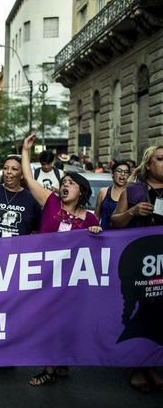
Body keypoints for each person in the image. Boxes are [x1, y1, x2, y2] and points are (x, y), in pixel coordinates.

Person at [21, 134, 101, 386]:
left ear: (81, 191)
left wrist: (97, 234)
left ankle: (54, 365)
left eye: (71, 183)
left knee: (65, 322)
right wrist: (25, 151)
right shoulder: (51, 201)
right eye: (63, 182)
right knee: (48, 321)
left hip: (71, 281)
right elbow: (29, 179)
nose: (65, 185)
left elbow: (98, 253)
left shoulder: (89, 219)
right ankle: (53, 364)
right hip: (45, 275)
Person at [111, 145, 163, 393]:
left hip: (162, 264)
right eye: (160, 159)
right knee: (139, 312)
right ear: (148, 164)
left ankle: (152, 365)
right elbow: (116, 223)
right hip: (140, 264)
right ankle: (137, 367)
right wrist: (132, 211)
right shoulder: (133, 191)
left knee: (158, 315)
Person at [0, 155, 42, 238]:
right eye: (5, 168)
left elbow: (37, 231)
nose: (8, 172)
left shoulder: (32, 200)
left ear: (22, 175)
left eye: (14, 169)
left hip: (20, 250)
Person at [94, 160, 130, 230]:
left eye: (126, 172)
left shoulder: (132, 193)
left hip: (124, 237)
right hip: (104, 236)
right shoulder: (103, 192)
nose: (123, 174)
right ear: (112, 174)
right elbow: (96, 216)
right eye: (119, 171)